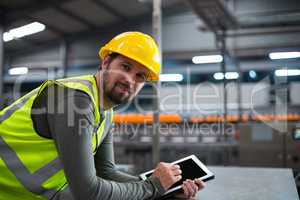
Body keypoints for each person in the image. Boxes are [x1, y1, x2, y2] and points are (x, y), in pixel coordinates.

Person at [0, 32, 205, 200]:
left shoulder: (105, 112)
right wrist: (152, 187)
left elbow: (105, 172)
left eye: (140, 76)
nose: (129, 80)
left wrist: (166, 188)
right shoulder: (75, 101)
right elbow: (88, 192)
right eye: (125, 67)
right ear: (106, 63)